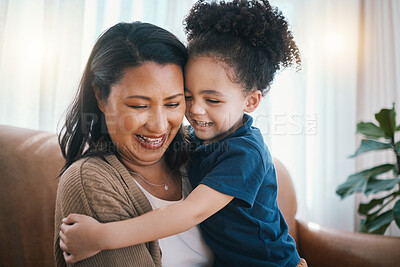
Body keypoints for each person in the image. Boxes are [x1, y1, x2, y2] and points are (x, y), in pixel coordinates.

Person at [59, 0, 308, 266]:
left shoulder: (243, 154)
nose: (196, 111)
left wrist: (103, 236)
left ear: (251, 102)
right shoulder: (95, 179)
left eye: (173, 103)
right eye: (188, 97)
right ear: (100, 95)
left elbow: (190, 213)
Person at [54, 21, 214, 267]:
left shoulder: (203, 155)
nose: (160, 126)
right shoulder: (90, 181)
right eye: (139, 106)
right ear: (100, 96)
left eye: (172, 104)